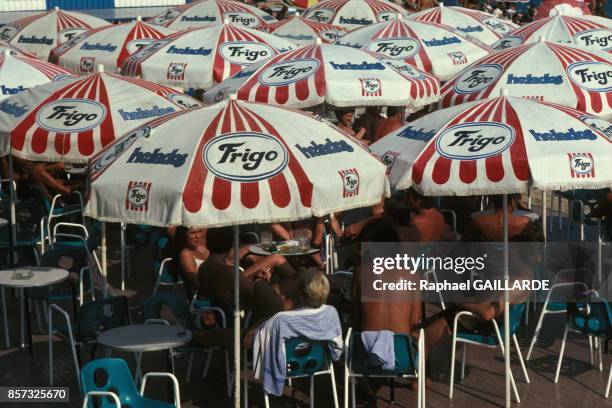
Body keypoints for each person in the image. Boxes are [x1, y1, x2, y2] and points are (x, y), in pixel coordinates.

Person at [198, 227, 298, 323]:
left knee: (293, 285)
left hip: (229, 311)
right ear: (231, 245)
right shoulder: (228, 272)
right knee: (299, 298)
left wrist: (255, 277)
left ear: (207, 243)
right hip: (249, 316)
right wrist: (259, 280)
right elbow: (256, 293)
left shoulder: (203, 268)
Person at [461, 194, 537, 242]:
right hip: (513, 264)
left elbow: (463, 244)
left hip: (485, 264)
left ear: (493, 201)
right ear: (513, 201)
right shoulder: (525, 222)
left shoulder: (478, 221)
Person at [174, 227, 209, 298]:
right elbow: (196, 284)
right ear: (183, 235)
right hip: (205, 296)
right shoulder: (185, 254)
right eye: (193, 233)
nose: (198, 236)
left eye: (199, 231)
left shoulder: (206, 247)